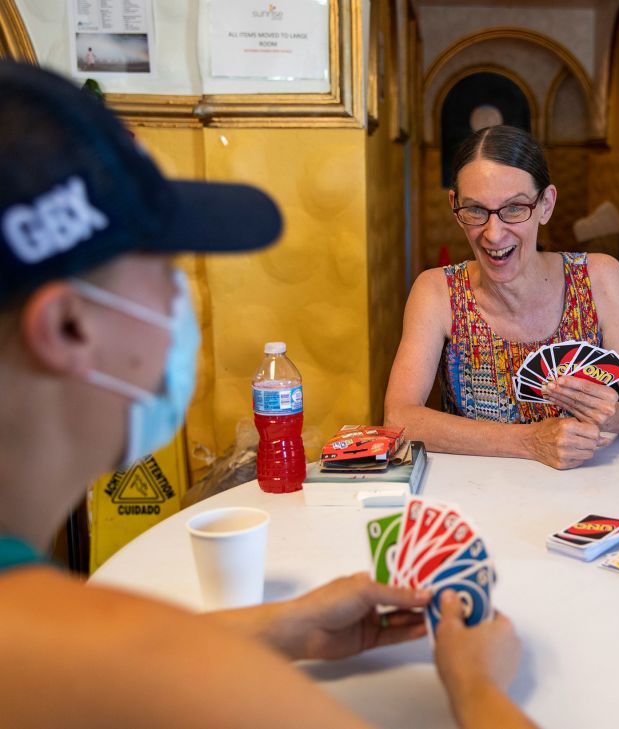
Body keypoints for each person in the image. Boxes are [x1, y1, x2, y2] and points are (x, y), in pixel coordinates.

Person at [0, 60, 536, 729]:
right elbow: (121, 666)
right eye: (162, 269)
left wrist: (279, 628)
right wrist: (478, 685)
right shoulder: (99, 657)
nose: (179, 301)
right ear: (67, 326)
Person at [385, 125, 619, 470]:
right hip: (478, 492)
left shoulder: (599, 278)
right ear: (454, 206)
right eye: (475, 210)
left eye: (514, 208)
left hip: (585, 487)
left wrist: (614, 414)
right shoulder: (436, 292)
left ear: (545, 204)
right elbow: (400, 417)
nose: (493, 233)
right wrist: (531, 441)